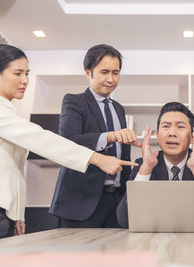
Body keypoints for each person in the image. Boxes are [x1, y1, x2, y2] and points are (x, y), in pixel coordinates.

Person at [0, 44, 137, 242]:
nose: (25, 81)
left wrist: (17, 213)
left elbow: (14, 169)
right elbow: (42, 139)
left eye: (27, 73)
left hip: (0, 211)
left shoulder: (5, 110)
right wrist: (97, 158)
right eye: (18, 73)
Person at [49, 44, 141, 228]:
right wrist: (110, 136)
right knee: (78, 257)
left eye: (116, 73)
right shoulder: (74, 101)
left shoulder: (119, 109)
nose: (110, 79)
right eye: (104, 72)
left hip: (116, 200)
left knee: (116, 255)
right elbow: (68, 141)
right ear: (87, 72)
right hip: (80, 201)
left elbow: (122, 156)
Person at [116, 102, 194, 229]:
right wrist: (146, 170)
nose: (172, 133)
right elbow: (124, 221)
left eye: (180, 127)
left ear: (192, 137)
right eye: (166, 126)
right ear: (157, 135)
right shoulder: (142, 165)